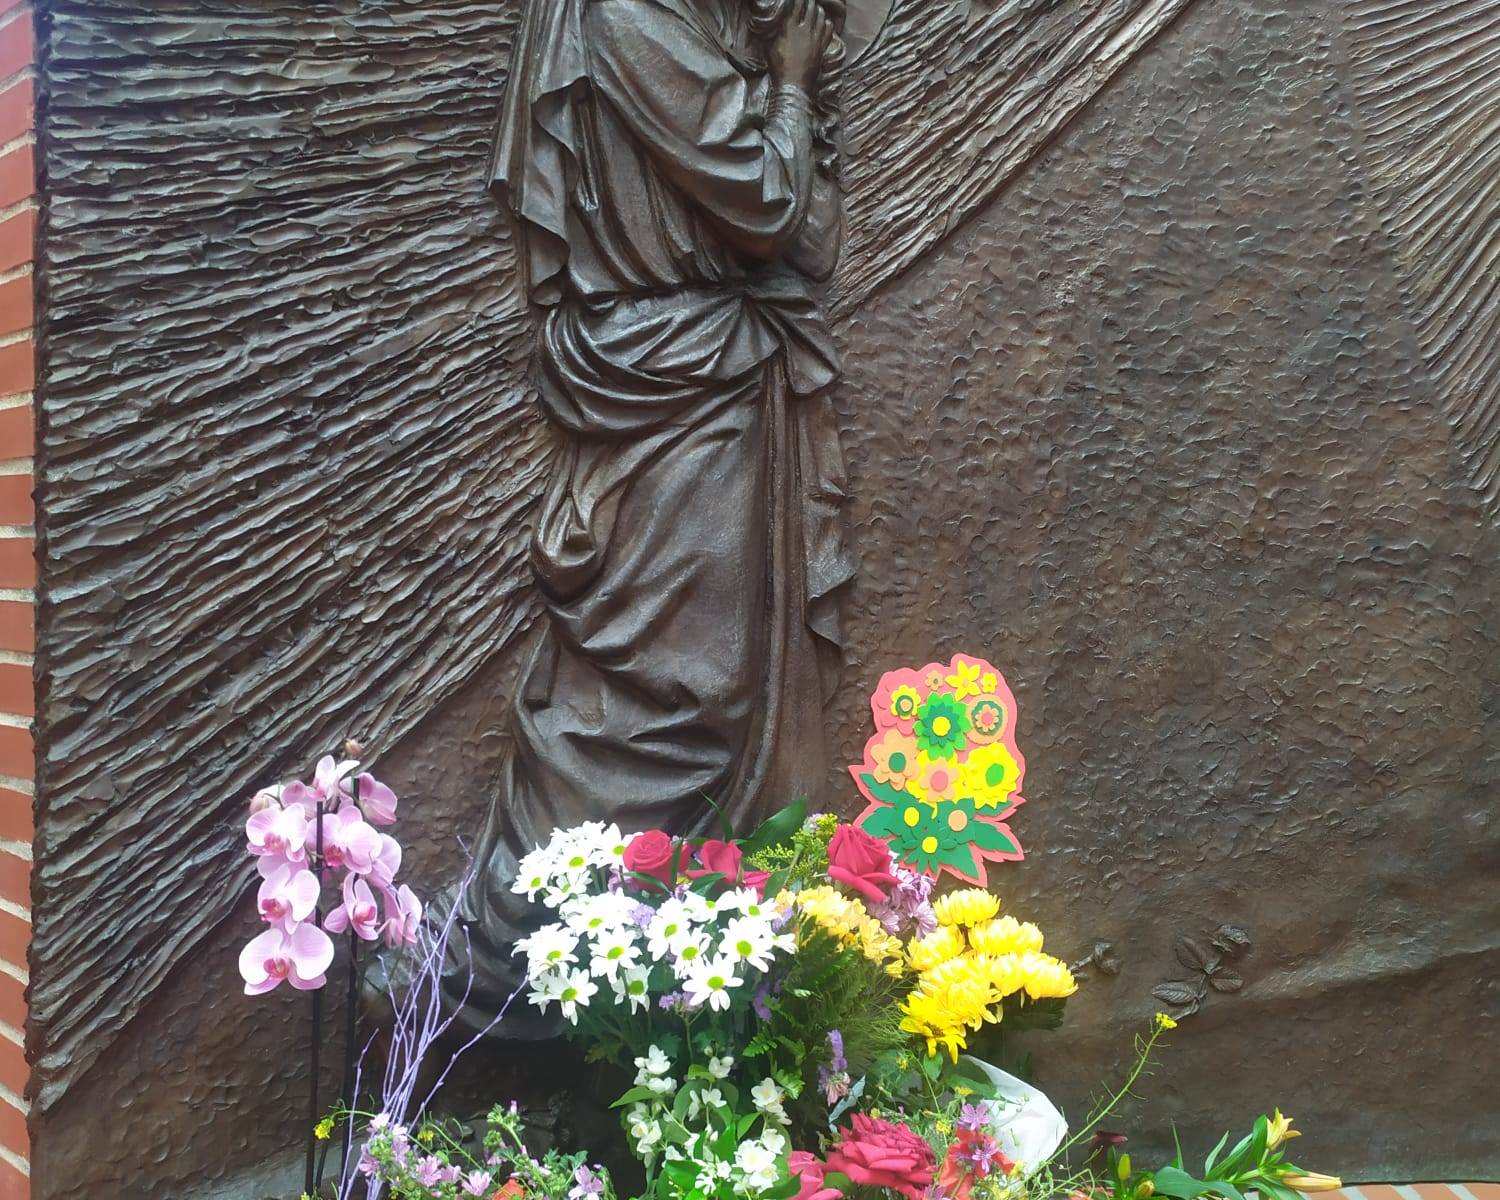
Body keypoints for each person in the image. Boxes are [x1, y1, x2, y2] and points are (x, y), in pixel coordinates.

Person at [430, 0, 856, 1037]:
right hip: (673, 377)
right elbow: (760, 203)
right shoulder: (631, 11)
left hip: (705, 367)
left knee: (711, 680)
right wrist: (792, 88)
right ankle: (548, 957)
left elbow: (804, 235)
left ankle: (671, 967)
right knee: (679, 685)